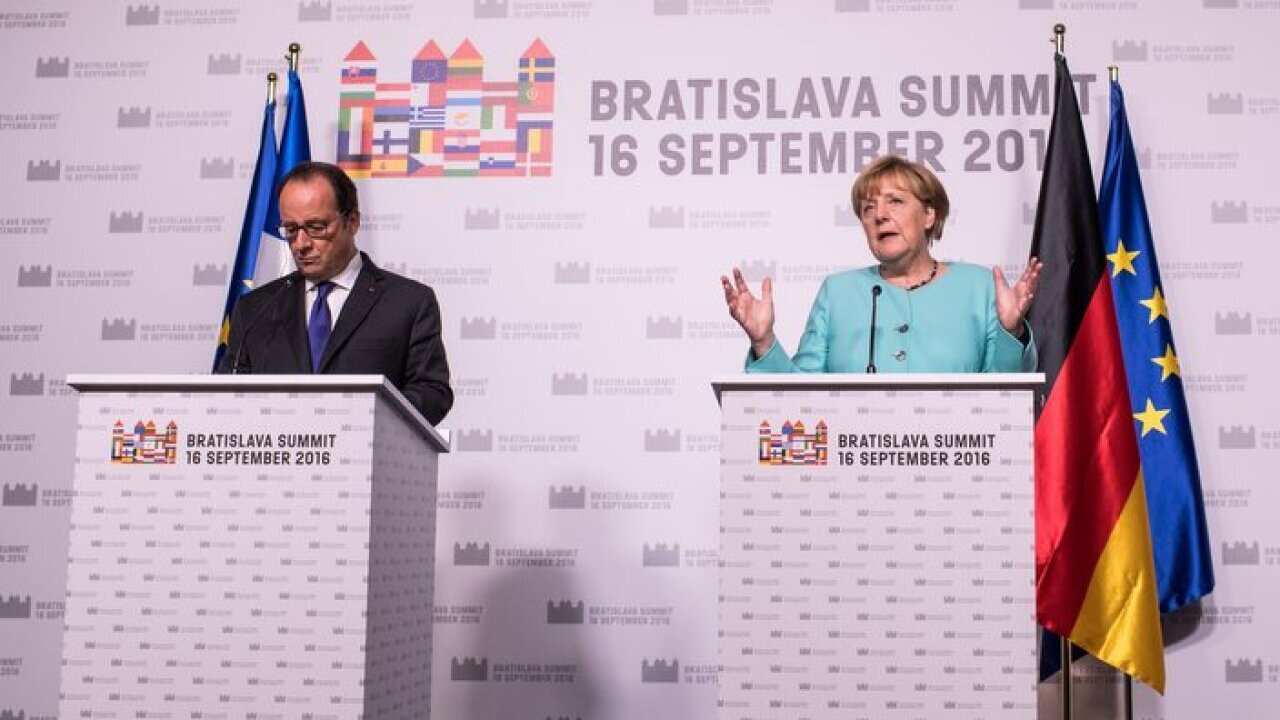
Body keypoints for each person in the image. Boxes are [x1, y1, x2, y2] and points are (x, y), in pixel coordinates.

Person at [721, 154, 1042, 373]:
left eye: (896, 201)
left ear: (929, 215)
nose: (880, 215)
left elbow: (1005, 399)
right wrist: (763, 342)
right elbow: (799, 403)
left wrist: (1010, 331)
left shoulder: (979, 286)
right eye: (868, 208)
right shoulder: (838, 293)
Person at [217, 161, 453, 425]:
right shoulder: (256, 308)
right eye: (291, 230)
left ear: (352, 222)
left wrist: (363, 420)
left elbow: (432, 393)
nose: (301, 244)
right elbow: (226, 398)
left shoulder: (408, 303)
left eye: (316, 227)